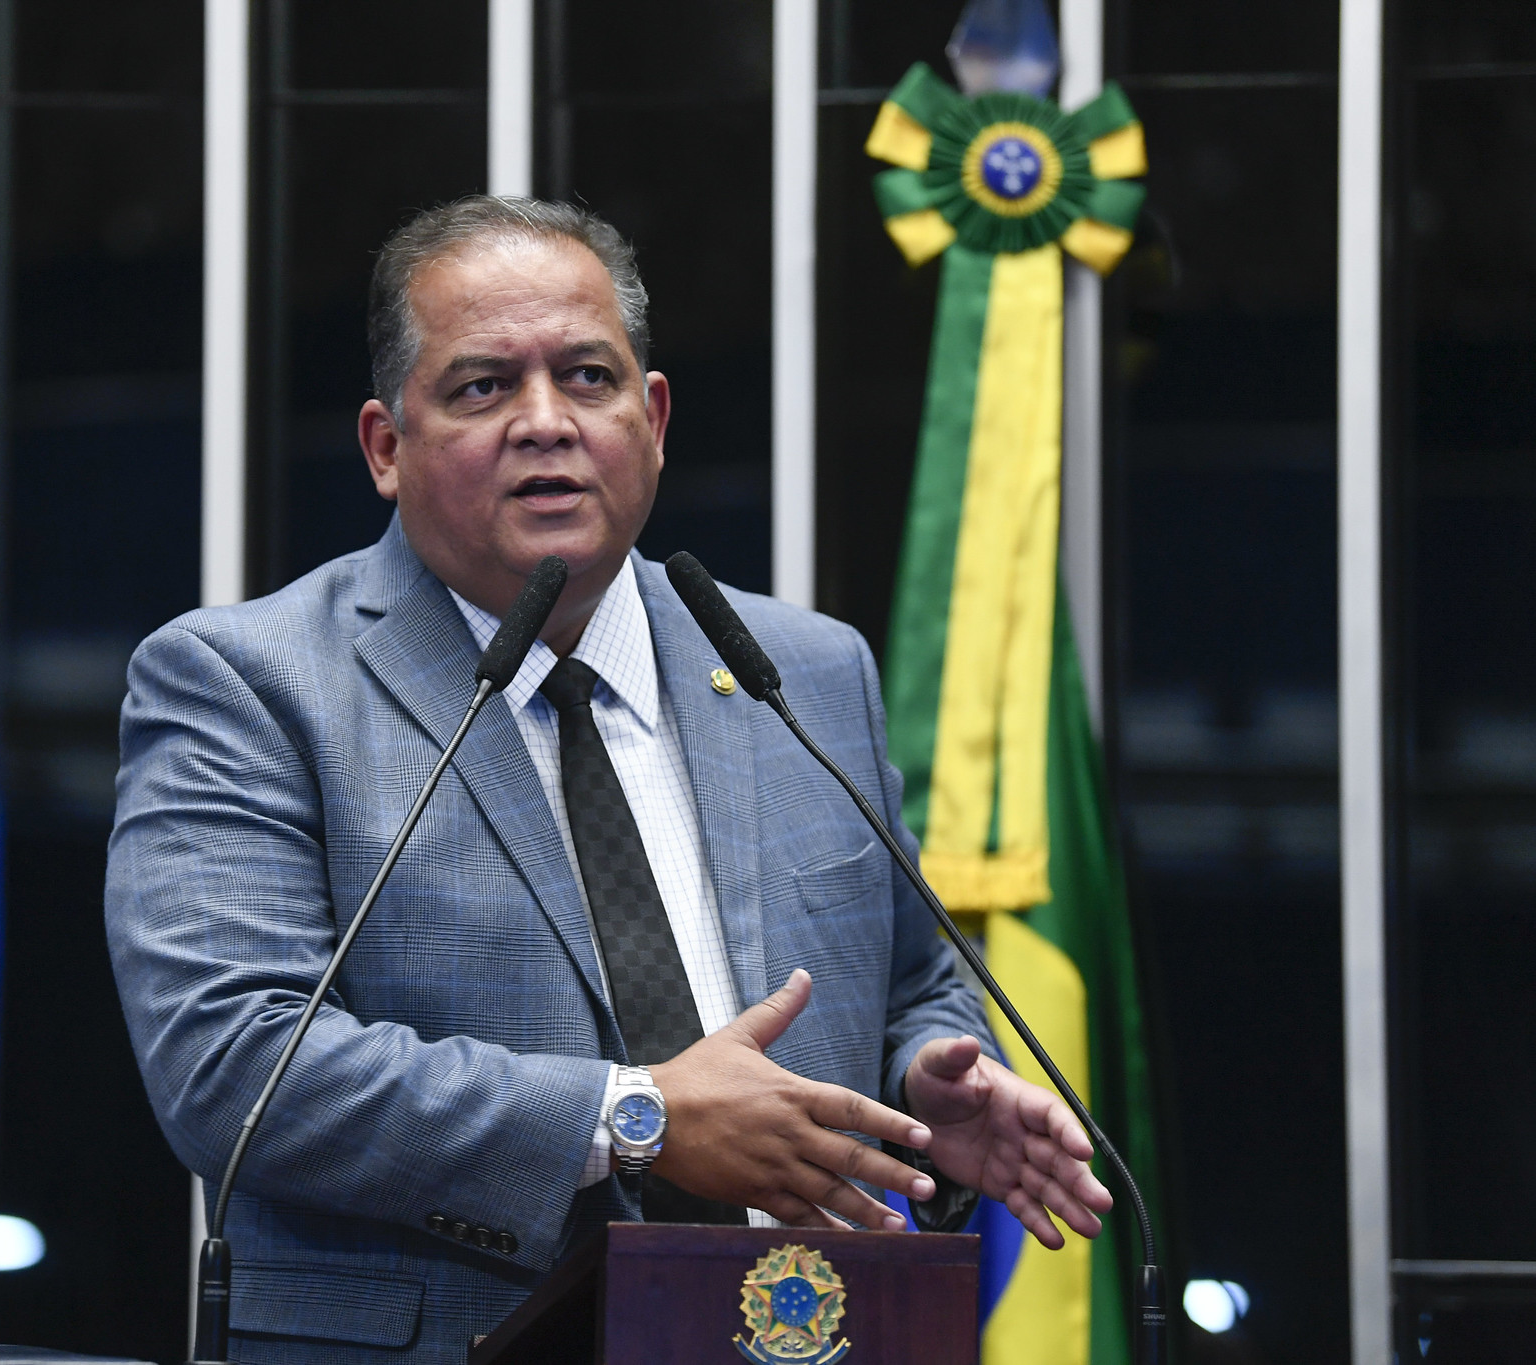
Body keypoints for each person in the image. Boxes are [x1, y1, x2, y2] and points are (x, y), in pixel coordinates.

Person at [106, 196, 1112, 1363]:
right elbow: (234, 1067)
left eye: (588, 377)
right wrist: (634, 1119)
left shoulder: (806, 671)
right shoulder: (251, 683)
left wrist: (925, 1090)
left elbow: (909, 986)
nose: (546, 423)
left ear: (654, 415)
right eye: (483, 387)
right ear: (387, 446)